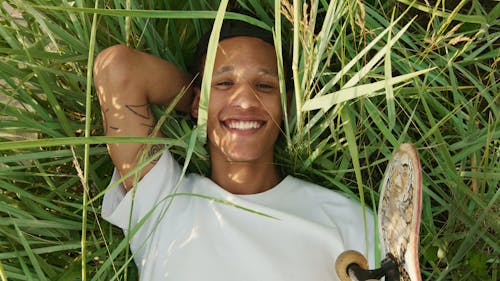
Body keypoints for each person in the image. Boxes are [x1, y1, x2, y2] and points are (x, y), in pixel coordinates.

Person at [95, 14, 375, 281]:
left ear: (287, 106)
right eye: (224, 83)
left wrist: (215, 99)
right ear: (197, 101)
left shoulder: (346, 219)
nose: (244, 100)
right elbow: (118, 67)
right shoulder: (162, 202)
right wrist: (200, 104)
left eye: (264, 86)